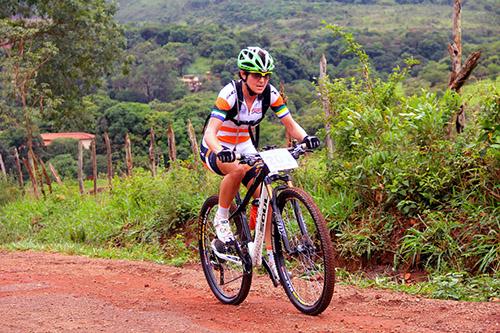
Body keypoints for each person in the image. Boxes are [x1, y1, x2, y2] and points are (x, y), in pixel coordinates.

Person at [200, 46, 320, 245]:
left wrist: (306, 138)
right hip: (217, 146)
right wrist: (221, 151)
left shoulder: (269, 94)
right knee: (237, 170)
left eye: (266, 75)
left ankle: (268, 256)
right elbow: (210, 132)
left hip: (244, 145)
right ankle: (221, 218)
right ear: (243, 74)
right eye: (256, 75)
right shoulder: (230, 94)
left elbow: (290, 124)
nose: (262, 80)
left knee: (267, 195)